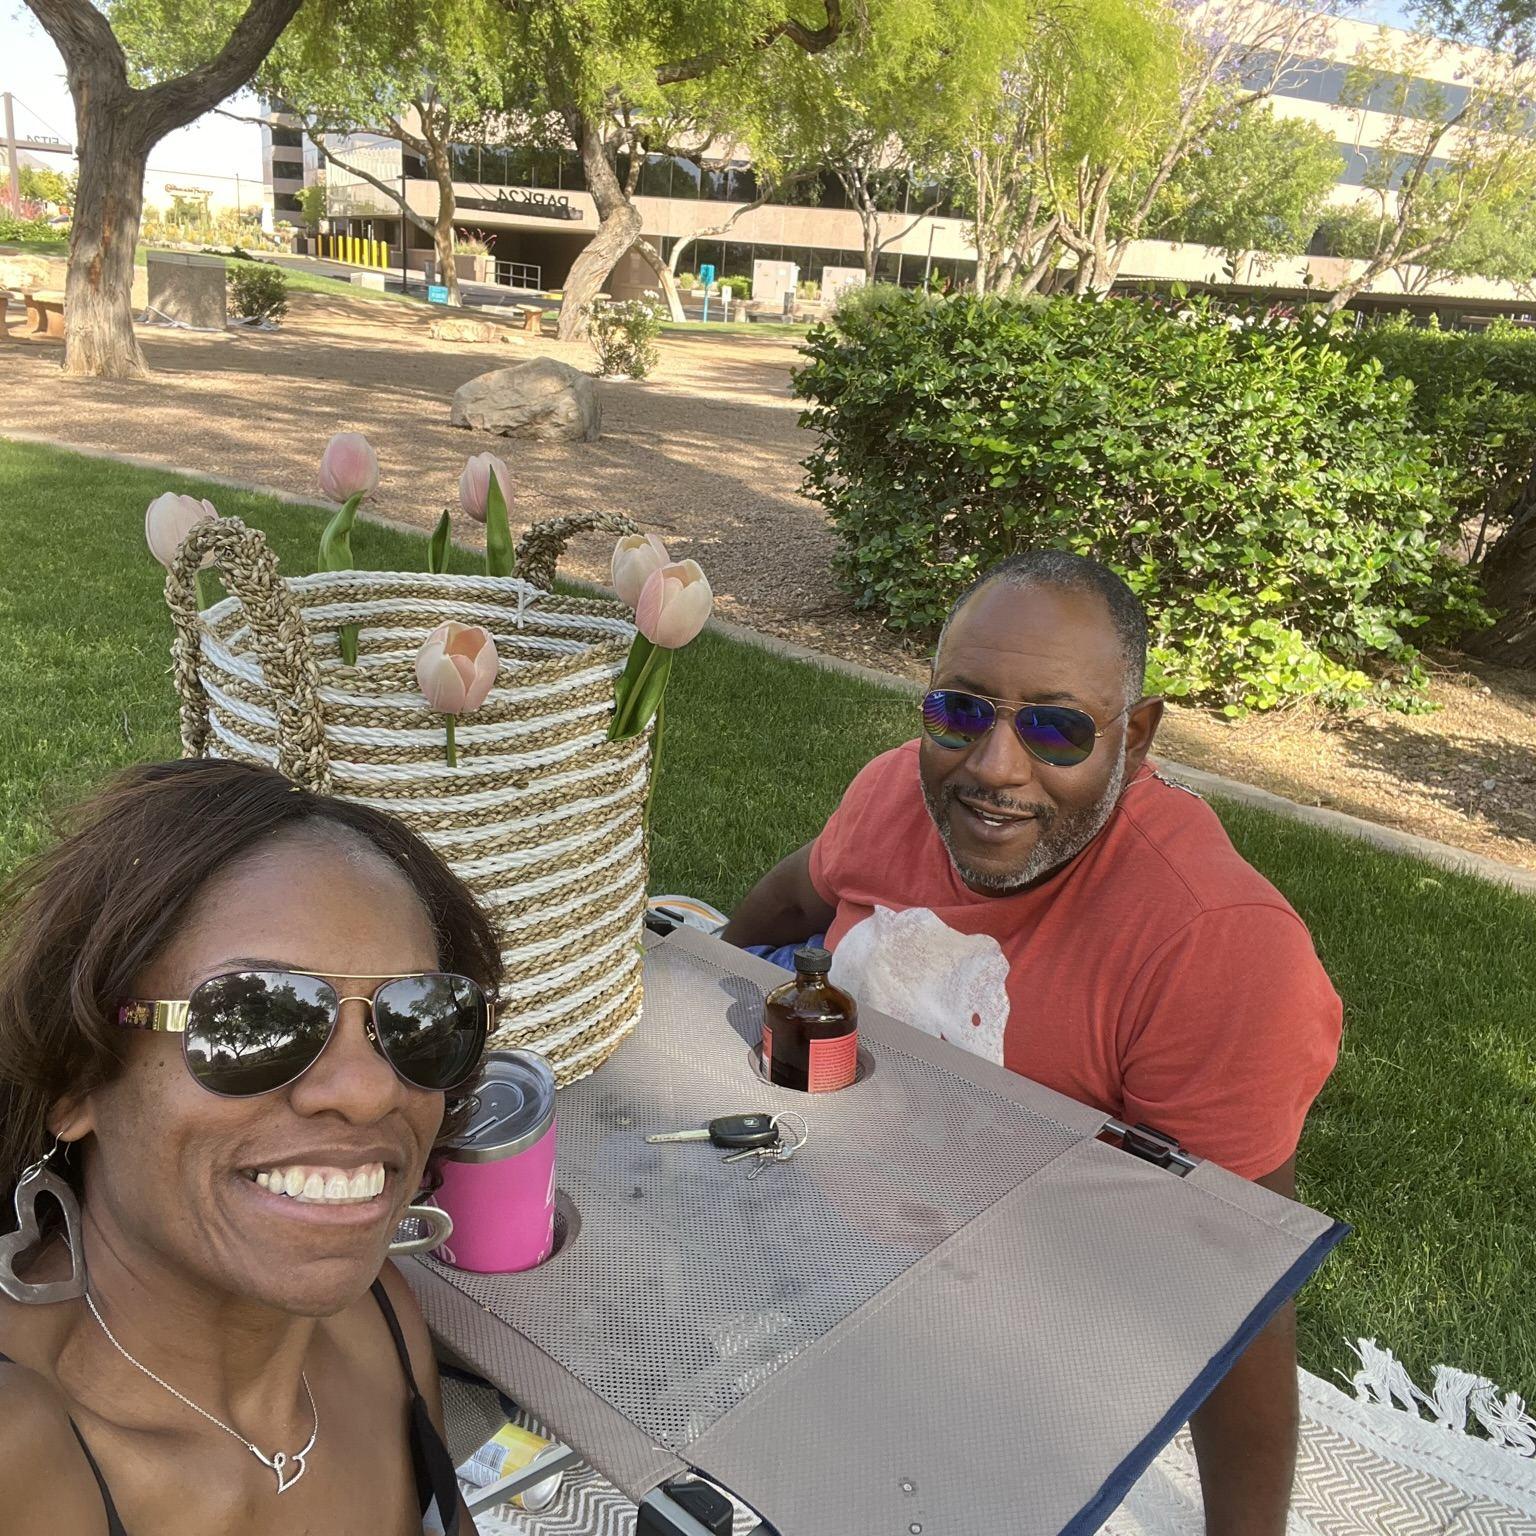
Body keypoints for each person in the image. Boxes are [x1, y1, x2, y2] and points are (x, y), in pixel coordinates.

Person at [722, 550, 1343, 1536]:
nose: (994, 768)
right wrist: (719, 958)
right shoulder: (894, 793)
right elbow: (797, 890)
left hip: (1023, 1318)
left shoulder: (1217, 949)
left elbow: (1237, 1287)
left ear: (1135, 739)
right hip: (820, 1216)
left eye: (1056, 729)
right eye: (961, 711)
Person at [0, 759, 503, 1535]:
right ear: (78, 1077)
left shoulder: (383, 1326)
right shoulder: (19, 1457)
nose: (369, 1091)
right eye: (259, 1021)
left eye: (417, 1019)